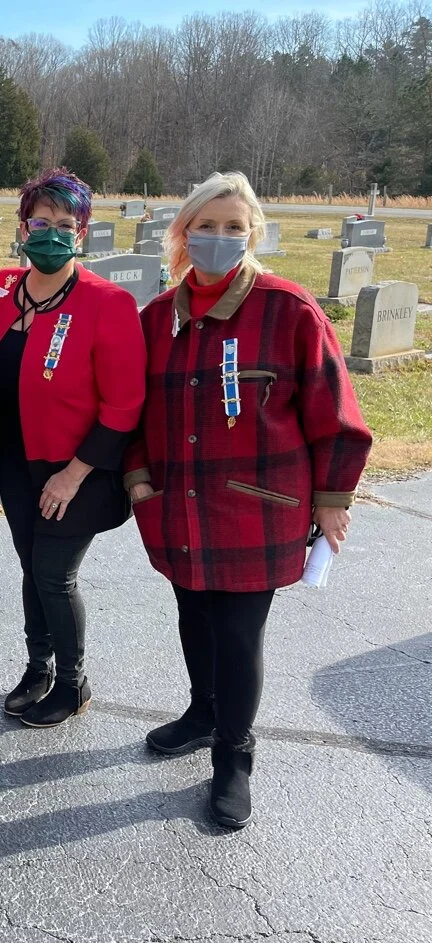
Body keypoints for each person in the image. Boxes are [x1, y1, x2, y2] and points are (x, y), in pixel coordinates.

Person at [127, 171, 372, 829]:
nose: (218, 239)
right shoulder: (156, 320)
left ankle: (234, 756)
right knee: (192, 617)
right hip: (176, 507)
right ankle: (203, 712)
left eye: (233, 227)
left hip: (255, 511)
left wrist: (331, 500)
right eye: (205, 227)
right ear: (183, 234)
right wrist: (139, 482)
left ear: (253, 234)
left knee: (238, 635)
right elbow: (129, 412)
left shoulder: (288, 311)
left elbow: (336, 416)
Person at [0, 168, 147, 728]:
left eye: (65, 225)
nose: (51, 233)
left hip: (77, 469)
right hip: (14, 461)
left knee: (53, 574)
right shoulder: (2, 293)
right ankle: (37, 666)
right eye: (40, 222)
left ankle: (73, 680)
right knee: (30, 566)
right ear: (22, 227)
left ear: (82, 233)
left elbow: (123, 405)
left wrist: (74, 474)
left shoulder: (106, 303)